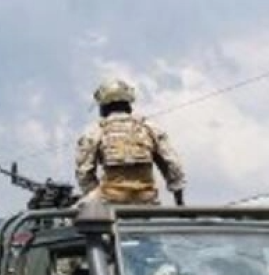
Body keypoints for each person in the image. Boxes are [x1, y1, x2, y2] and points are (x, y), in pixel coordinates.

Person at [75, 78, 186, 206]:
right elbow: (173, 164)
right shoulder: (149, 128)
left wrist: (95, 198)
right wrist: (180, 203)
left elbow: (83, 172)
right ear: (128, 104)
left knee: (69, 216)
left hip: (110, 200)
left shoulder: (95, 132)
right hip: (147, 201)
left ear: (104, 106)